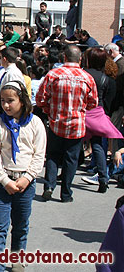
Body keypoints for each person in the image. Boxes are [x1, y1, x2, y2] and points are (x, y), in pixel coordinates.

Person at [0, 81, 46, 272]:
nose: (6, 105)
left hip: (25, 182)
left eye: (10, 101)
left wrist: (27, 178)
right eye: (3, 101)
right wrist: (4, 180)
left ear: (22, 100)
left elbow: (39, 155)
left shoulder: (35, 123)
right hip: (2, 181)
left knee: (21, 224)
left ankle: (17, 258)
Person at [36, 45, 98, 203]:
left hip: (56, 122)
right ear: (80, 59)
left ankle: (49, 186)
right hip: (76, 125)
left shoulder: (54, 75)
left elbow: (41, 98)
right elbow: (93, 102)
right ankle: (66, 193)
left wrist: (48, 109)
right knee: (71, 159)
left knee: (52, 156)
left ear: (64, 58)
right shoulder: (87, 77)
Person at [81, 48, 118, 193]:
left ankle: (65, 176)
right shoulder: (107, 79)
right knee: (97, 145)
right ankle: (103, 178)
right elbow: (110, 101)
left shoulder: (84, 75)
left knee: (73, 144)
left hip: (82, 111)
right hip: (98, 113)